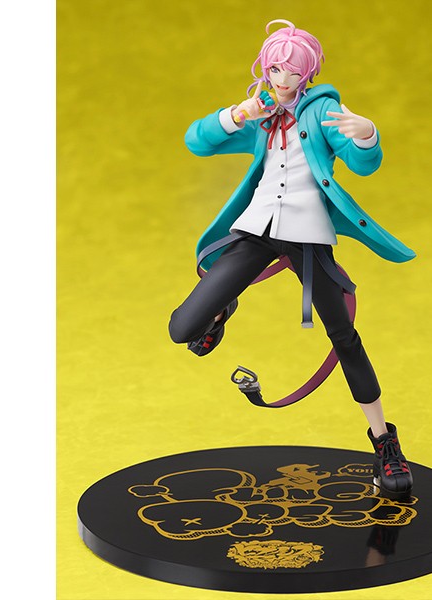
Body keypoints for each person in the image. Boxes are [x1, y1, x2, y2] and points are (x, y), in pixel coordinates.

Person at [169, 19, 415, 501]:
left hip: (307, 236)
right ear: (265, 69)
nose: (283, 80)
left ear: (308, 73)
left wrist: (367, 135)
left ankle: (385, 442)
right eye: (276, 70)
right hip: (257, 230)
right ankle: (220, 310)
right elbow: (197, 141)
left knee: (344, 337)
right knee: (183, 329)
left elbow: (363, 163)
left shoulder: (322, 111)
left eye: (293, 72)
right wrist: (235, 115)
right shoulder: (260, 112)